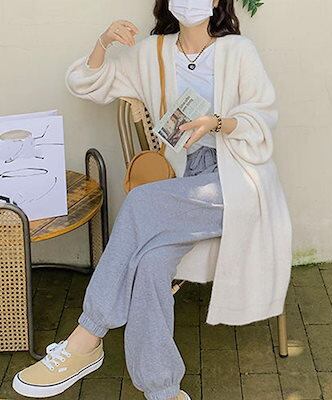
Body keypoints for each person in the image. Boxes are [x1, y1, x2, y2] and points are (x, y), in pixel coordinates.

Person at [12, 0, 293, 399]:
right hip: (183, 180)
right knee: (149, 262)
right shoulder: (153, 53)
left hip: (237, 178)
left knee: (141, 203)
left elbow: (263, 117)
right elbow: (84, 83)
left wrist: (216, 122)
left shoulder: (238, 51)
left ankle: (87, 337)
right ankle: (163, 389)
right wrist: (103, 42)